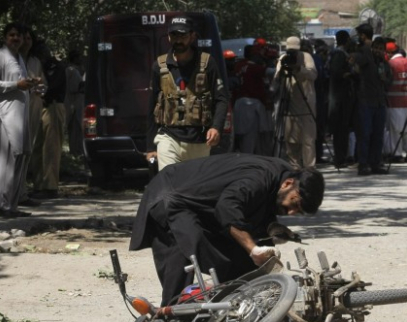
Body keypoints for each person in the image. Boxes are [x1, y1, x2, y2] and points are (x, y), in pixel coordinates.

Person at [129, 153, 325, 306]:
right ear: (288, 184)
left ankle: (243, 316)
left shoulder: (280, 178)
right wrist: (253, 249)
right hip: (171, 195)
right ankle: (171, 320)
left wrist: (266, 250)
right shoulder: (260, 177)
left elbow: (255, 215)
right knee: (188, 244)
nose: (290, 213)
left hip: (197, 206)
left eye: (297, 212)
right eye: (294, 204)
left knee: (244, 265)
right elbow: (228, 207)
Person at [147, 16, 229, 171]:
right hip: (168, 136)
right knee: (169, 182)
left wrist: (216, 127)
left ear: (192, 36)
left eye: (183, 36)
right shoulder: (159, 66)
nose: (178, 40)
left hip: (199, 139)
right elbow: (152, 106)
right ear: (169, 36)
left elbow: (221, 98)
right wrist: (150, 146)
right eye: (174, 35)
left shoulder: (207, 63)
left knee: (195, 187)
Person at [0, 22, 38, 218]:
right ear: (5, 37)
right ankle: (3, 205)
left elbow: (20, 85)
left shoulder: (19, 59)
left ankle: (12, 205)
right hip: (5, 117)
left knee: (19, 159)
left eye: (19, 36)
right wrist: (16, 84)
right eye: (12, 35)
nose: (16, 39)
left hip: (20, 117)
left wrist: (31, 84)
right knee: (5, 162)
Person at [272, 36, 318, 169]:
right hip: (289, 106)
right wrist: (281, 71)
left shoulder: (306, 57)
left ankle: (310, 169)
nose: (292, 54)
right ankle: (294, 168)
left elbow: (313, 75)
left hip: (306, 105)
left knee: (308, 141)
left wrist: (299, 69)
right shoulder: (283, 59)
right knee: (290, 141)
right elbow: (276, 80)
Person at [353, 23, 391, 176]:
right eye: (376, 48)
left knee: (378, 134)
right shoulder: (364, 53)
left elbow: (389, 81)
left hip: (380, 102)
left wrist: (384, 78)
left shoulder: (384, 63)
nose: (379, 51)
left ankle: (376, 163)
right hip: (366, 101)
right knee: (365, 134)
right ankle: (363, 164)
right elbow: (356, 62)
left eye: (381, 49)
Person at [31, 43, 67, 199]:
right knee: (37, 146)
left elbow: (53, 87)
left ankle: (50, 186)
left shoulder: (56, 66)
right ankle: (38, 184)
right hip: (38, 106)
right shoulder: (33, 66)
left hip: (53, 105)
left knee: (51, 147)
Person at [17, 27, 45, 207]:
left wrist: (40, 89)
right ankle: (11, 194)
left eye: (29, 38)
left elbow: (43, 84)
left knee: (27, 150)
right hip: (15, 109)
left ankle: (22, 193)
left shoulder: (35, 62)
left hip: (33, 107)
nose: (26, 41)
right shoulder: (10, 59)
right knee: (14, 152)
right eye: (23, 38)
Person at [232, 45, 270, 155]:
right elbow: (270, 72)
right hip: (251, 105)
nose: (261, 57)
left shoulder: (238, 65)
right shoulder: (254, 67)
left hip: (239, 104)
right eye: (258, 55)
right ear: (253, 55)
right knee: (250, 137)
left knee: (243, 137)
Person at [327, 30, 358, 168]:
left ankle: (341, 157)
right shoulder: (339, 55)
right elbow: (337, 73)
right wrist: (350, 74)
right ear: (346, 40)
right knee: (341, 130)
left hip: (339, 98)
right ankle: (340, 158)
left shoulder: (336, 53)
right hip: (340, 99)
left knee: (342, 130)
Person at [385, 45, 407, 163]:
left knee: (395, 129)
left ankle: (397, 154)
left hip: (393, 101)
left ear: (389, 53)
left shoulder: (391, 64)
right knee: (406, 128)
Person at [64, 49, 85, 158]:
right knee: (73, 125)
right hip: (72, 99)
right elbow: (73, 86)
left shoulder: (77, 70)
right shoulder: (70, 70)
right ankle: (74, 150)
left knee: (78, 126)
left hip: (78, 100)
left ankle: (78, 150)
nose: (80, 59)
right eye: (78, 56)